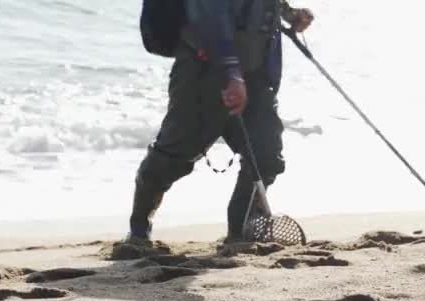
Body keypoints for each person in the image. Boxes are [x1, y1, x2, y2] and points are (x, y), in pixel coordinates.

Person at [127, 0, 314, 244]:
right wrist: (231, 72)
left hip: (255, 78)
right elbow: (207, 14)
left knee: (266, 154)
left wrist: (289, 13)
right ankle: (139, 229)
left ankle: (241, 231)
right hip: (201, 75)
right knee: (172, 157)